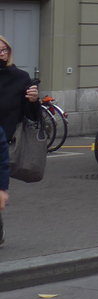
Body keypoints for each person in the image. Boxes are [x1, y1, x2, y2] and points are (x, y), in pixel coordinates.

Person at [0, 34, 38, 247]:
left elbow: (31, 115)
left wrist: (33, 100)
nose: (2, 54)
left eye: (5, 50)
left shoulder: (20, 77)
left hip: (6, 140)